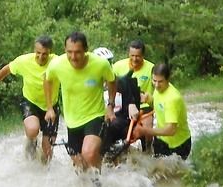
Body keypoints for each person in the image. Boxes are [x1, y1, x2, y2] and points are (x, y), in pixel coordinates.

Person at [44, 32, 116, 172]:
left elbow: (112, 81)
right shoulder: (57, 64)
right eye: (69, 52)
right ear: (65, 50)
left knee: (88, 153)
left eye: (77, 52)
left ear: (86, 50)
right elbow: (47, 80)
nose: (73, 57)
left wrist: (110, 106)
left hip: (94, 115)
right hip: (72, 120)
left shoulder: (100, 64)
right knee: (79, 166)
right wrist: (49, 108)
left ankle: (97, 183)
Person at [0, 35, 60, 163]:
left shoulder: (57, 62)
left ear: (50, 52)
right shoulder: (24, 61)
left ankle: (43, 174)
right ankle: (30, 147)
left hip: (51, 107)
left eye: (45, 54)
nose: (41, 57)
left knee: (47, 152)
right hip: (31, 102)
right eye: (38, 53)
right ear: (34, 50)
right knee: (32, 130)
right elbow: (5, 70)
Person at [93, 47, 141, 163]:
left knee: (109, 125)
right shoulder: (91, 84)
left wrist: (132, 105)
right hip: (96, 120)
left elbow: (130, 102)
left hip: (118, 121)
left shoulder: (121, 82)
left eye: (109, 63)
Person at [135, 63, 192, 160]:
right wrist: (149, 100)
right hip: (161, 140)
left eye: (160, 81)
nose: (156, 85)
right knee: (155, 172)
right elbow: (160, 107)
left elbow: (171, 130)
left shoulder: (173, 99)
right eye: (154, 80)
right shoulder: (159, 89)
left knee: (169, 174)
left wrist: (145, 131)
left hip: (178, 145)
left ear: (168, 79)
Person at [112, 40, 155, 149]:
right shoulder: (117, 66)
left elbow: (160, 91)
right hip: (122, 106)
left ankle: (148, 152)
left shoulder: (151, 68)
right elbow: (109, 85)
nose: (135, 59)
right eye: (132, 56)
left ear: (143, 56)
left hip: (144, 107)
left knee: (147, 130)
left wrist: (148, 98)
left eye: (138, 56)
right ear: (128, 54)